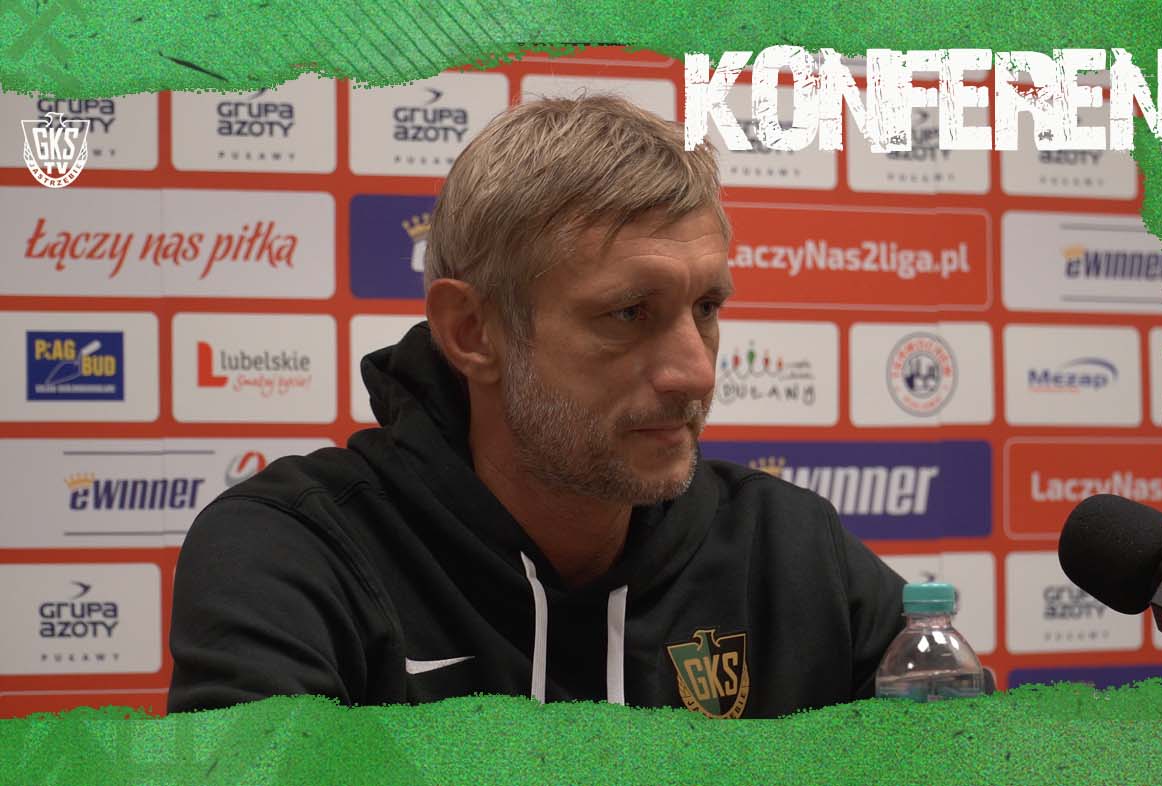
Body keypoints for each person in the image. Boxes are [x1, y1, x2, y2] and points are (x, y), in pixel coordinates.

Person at [167, 95, 907, 718]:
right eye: (629, 312)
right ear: (472, 332)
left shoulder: (790, 552)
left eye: (706, 307)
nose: (695, 372)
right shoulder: (300, 553)